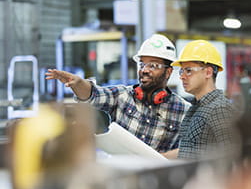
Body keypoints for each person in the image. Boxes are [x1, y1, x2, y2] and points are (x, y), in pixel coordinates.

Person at [45, 34, 190, 153]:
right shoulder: (122, 95)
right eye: (142, 64)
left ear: (168, 72)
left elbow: (188, 152)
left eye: (153, 65)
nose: (145, 70)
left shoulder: (184, 110)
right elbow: (93, 94)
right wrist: (77, 83)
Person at [164, 40, 242, 160]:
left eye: (188, 70)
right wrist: (157, 158)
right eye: (182, 70)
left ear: (208, 72)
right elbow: (189, 150)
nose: (182, 76)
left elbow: (234, 156)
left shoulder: (220, 109)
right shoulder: (195, 109)